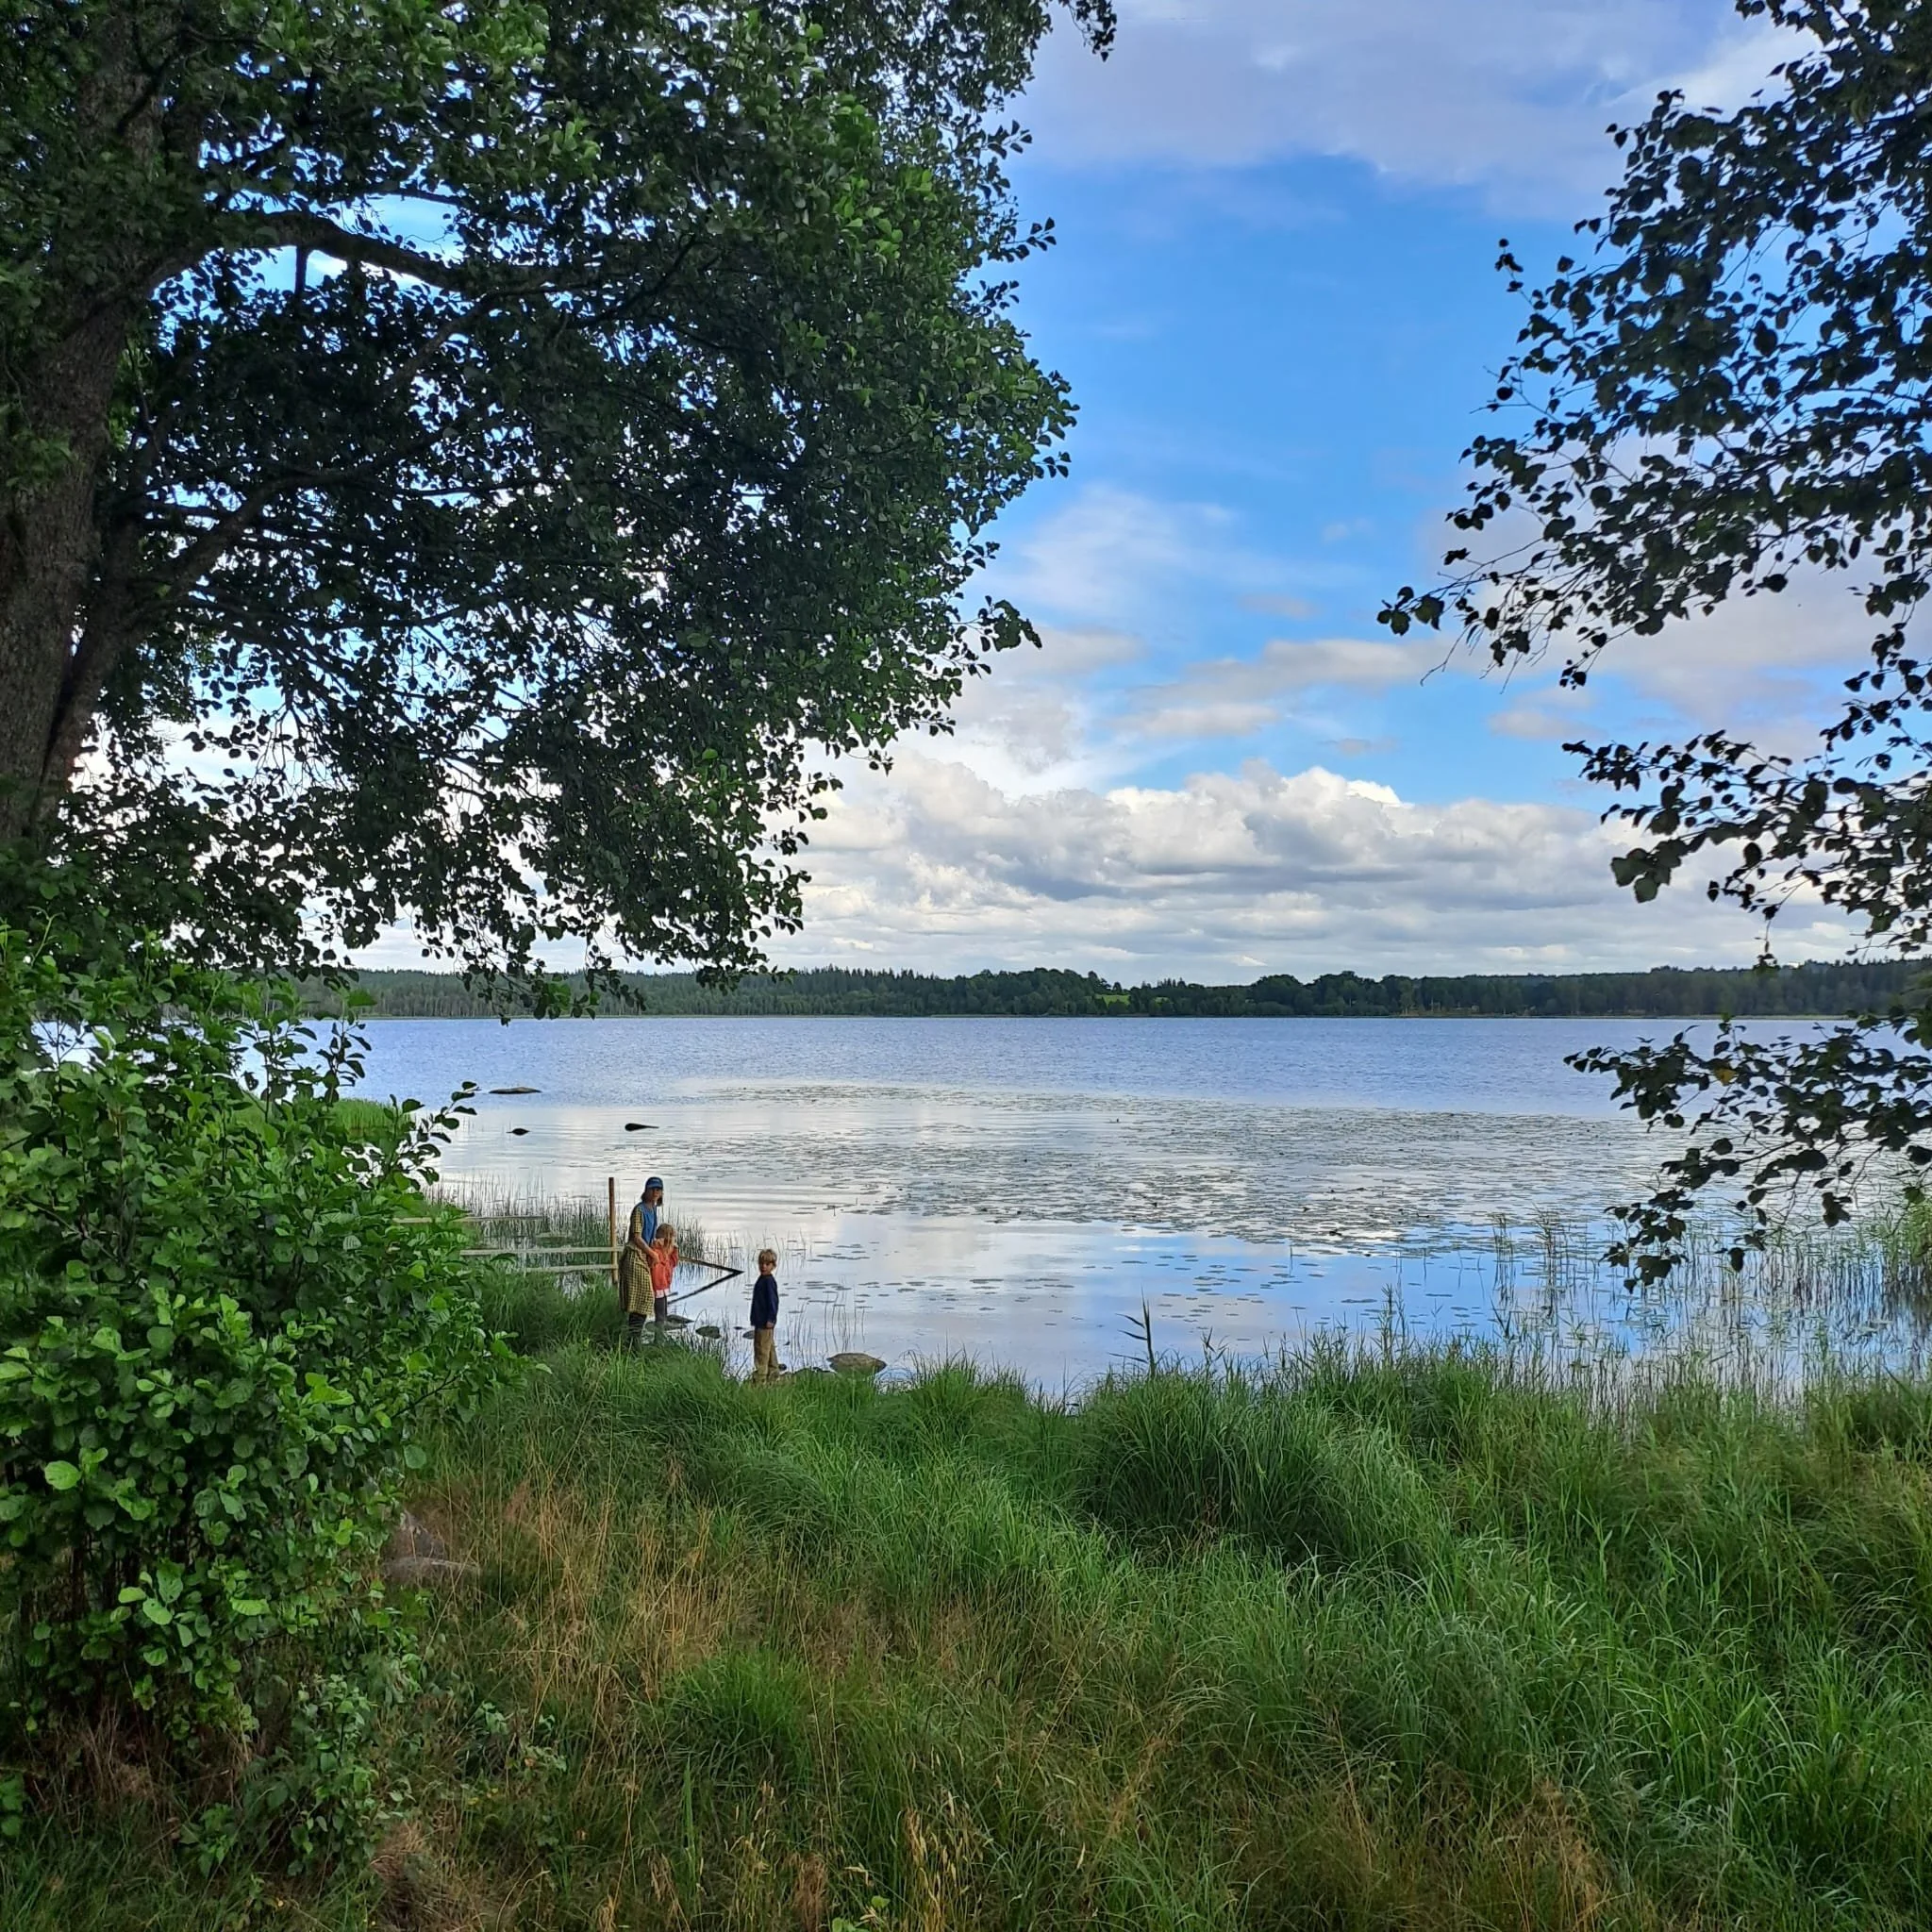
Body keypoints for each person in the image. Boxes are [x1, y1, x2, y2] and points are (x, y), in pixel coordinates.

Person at [617, 1177, 662, 1338]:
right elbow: (636, 1237)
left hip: (645, 1255)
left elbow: (648, 1235)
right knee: (643, 1297)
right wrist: (652, 1253)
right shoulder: (640, 1210)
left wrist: (656, 1243)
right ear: (647, 1191)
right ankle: (633, 1338)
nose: (656, 1192)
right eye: (653, 1189)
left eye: (659, 1190)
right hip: (635, 1255)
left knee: (643, 1299)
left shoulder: (654, 1210)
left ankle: (634, 1337)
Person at [750, 1248, 779, 1383]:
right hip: (759, 1321)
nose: (763, 1266)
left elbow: (773, 1302)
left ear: (773, 1266)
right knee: (769, 1347)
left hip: (765, 1322)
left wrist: (771, 1319)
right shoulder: (762, 1279)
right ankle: (773, 1373)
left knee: (761, 1350)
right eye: (761, 1264)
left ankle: (760, 1378)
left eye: (767, 1264)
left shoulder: (769, 1282)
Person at [648, 1222, 679, 1327]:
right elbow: (655, 1266)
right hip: (659, 1283)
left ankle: (663, 1320)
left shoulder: (666, 1252)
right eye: (673, 1238)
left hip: (664, 1283)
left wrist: (675, 1250)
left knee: (663, 1301)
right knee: (660, 1302)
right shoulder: (656, 1251)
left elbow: (674, 1263)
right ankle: (660, 1322)